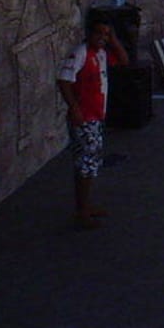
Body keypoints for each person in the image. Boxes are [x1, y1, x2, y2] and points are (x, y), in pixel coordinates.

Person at [56, 20, 128, 230]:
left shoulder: (101, 53)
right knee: (86, 163)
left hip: (95, 116)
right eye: (99, 33)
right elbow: (64, 80)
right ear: (89, 33)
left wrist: (114, 40)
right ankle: (82, 212)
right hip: (85, 117)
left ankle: (85, 206)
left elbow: (123, 60)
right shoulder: (81, 53)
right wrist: (75, 108)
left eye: (106, 34)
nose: (102, 38)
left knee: (91, 161)